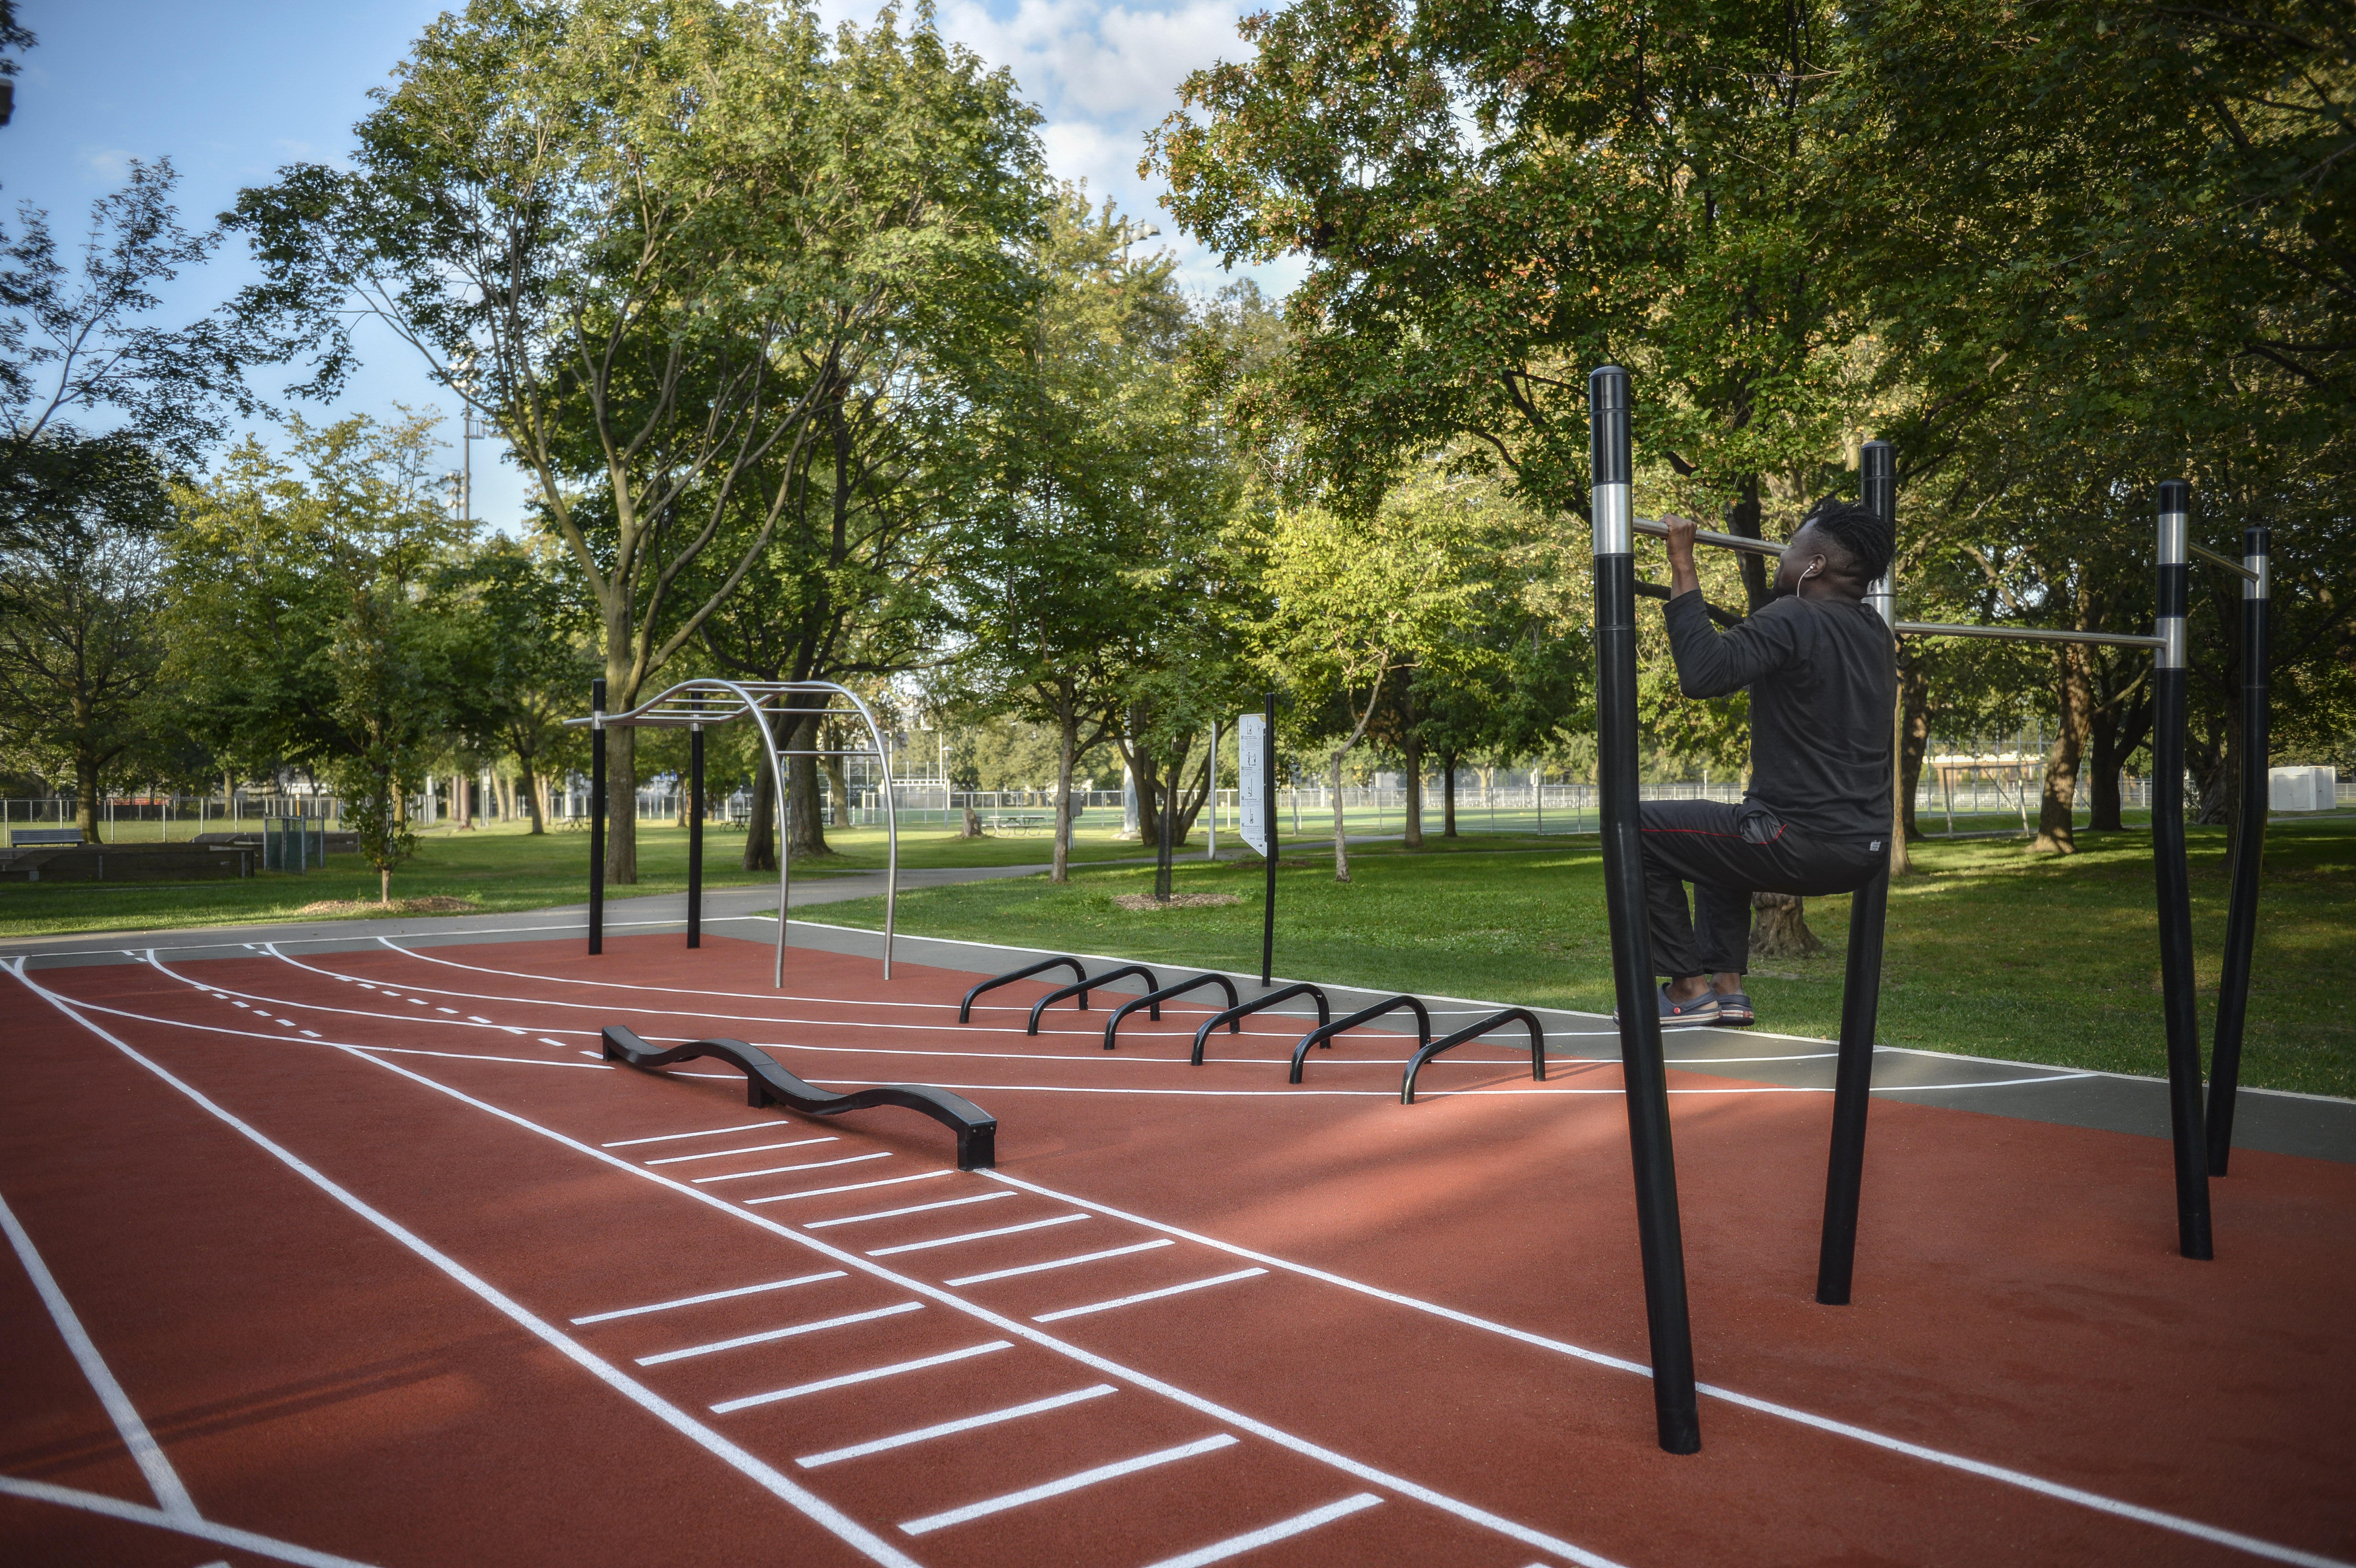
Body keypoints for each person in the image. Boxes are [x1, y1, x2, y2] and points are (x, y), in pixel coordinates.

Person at [1637, 498, 1895, 1028]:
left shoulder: (1794, 616)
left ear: (1816, 566)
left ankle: (1685, 988)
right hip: (1862, 847)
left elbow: (1702, 675)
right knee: (1720, 838)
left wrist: (1682, 563)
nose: (1781, 554)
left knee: (1634, 825)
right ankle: (1727, 988)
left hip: (1799, 843)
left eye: (1792, 545)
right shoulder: (1874, 632)